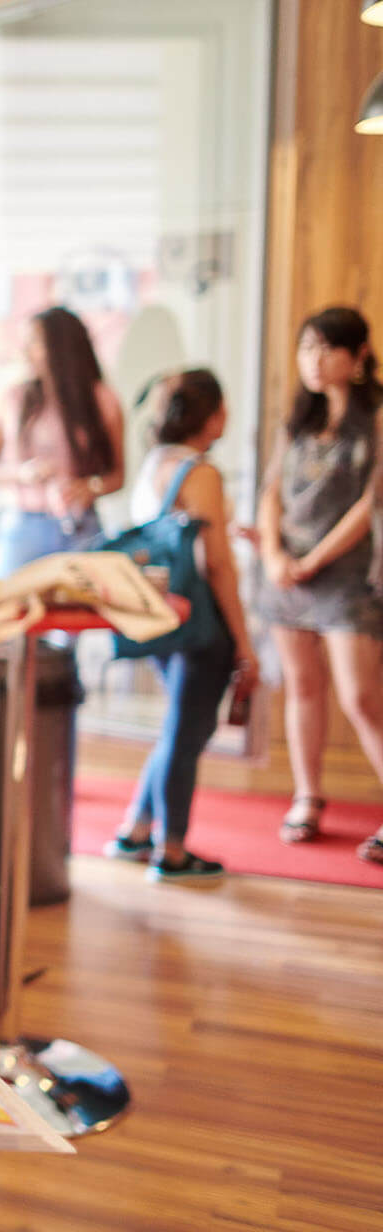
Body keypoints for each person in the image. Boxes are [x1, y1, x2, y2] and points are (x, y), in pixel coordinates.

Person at [102, 370, 258, 883]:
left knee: (177, 728)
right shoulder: (202, 472)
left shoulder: (156, 464)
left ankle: (137, 830)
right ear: (212, 416)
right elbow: (218, 565)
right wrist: (244, 641)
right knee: (187, 734)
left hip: (164, 620)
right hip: (203, 622)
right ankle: (171, 852)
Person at [252, 306, 383, 863]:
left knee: (360, 697)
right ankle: (307, 797)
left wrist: (313, 561)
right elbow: (270, 494)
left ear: (357, 358)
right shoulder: (297, 421)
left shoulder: (376, 418)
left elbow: (370, 503)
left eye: (327, 347)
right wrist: (274, 553)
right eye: (307, 347)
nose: (314, 359)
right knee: (302, 687)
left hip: (347, 577)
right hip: (287, 573)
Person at [0, 306, 127, 574]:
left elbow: (118, 475)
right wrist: (21, 474)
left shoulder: (101, 400)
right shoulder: (12, 399)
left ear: (62, 347)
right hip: (24, 526)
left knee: (82, 614)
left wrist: (90, 487)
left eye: (34, 342)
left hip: (82, 527)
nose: (25, 351)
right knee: (17, 611)